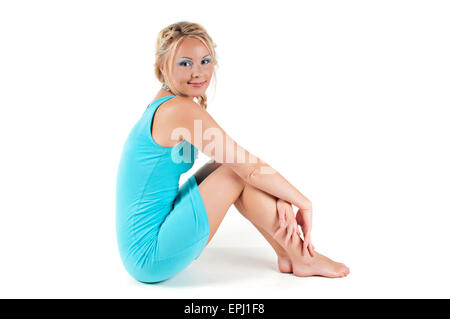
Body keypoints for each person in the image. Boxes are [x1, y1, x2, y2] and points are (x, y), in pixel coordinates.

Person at [116, 21, 350, 283]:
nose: (198, 72)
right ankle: (303, 257)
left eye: (205, 61)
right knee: (236, 174)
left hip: (146, 244)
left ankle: (286, 253)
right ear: (162, 68)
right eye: (185, 63)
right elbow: (247, 168)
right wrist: (303, 202)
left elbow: (231, 163)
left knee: (228, 168)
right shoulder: (178, 110)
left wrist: (280, 194)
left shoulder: (169, 105)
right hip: (149, 254)